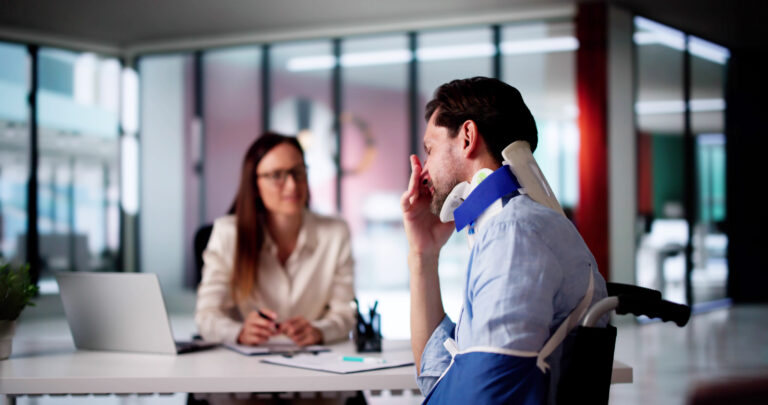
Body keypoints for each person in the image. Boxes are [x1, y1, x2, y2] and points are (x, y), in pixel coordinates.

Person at [400, 77, 608, 403]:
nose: (423, 171)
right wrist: (422, 253)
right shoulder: (509, 226)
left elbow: (489, 393)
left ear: (467, 137)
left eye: (430, 150)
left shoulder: (513, 234)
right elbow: (437, 379)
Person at [195, 132, 355, 346]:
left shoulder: (335, 233)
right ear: (255, 185)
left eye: (298, 172)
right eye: (276, 175)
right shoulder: (228, 233)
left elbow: (345, 315)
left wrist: (318, 330)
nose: (291, 185)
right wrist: (239, 332)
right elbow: (206, 316)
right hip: (246, 364)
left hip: (313, 362)